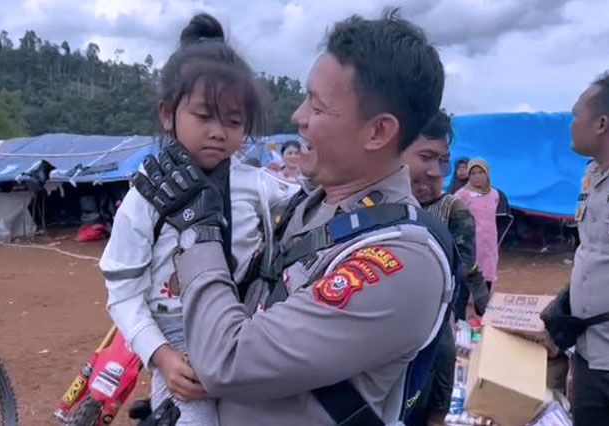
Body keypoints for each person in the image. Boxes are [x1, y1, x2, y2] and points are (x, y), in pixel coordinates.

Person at [134, 10, 452, 425]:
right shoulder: (303, 209)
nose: (298, 117)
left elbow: (227, 359)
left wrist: (198, 232)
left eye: (317, 106)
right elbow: (236, 314)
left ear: (378, 132)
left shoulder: (400, 262)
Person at [100, 13, 293, 425]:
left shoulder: (261, 187)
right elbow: (124, 295)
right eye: (205, 117)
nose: (219, 132)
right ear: (168, 114)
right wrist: (163, 359)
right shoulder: (145, 197)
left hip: (243, 335)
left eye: (234, 121)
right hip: (176, 345)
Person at [402, 111, 490, 426]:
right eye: (426, 159)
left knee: (441, 352)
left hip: (435, 310)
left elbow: (464, 260)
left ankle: (437, 414)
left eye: (443, 163)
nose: (434, 174)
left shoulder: (453, 208)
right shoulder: (386, 207)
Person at [567, 71, 609, 426]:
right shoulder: (592, 176)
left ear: (601, 123)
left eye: (575, 116)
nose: (571, 125)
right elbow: (594, 255)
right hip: (588, 354)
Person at [455, 159, 499, 292]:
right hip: (471, 244)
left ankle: (483, 309)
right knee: (469, 277)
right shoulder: (461, 195)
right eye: (473, 173)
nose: (477, 176)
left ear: (487, 174)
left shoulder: (494, 194)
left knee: (488, 274)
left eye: (481, 172)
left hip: (489, 243)